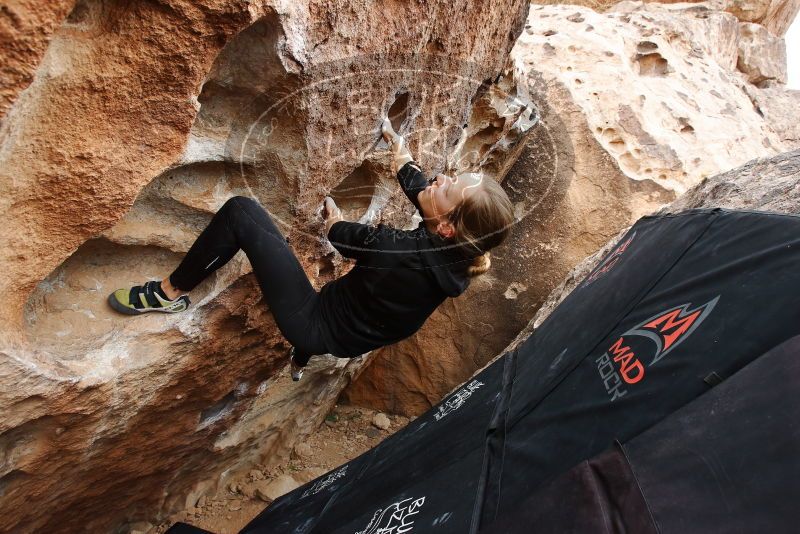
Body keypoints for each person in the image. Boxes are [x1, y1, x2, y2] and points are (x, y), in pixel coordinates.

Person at [108, 119, 515, 381]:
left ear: (446, 227)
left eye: (450, 186)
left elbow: (339, 234)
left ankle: (169, 293)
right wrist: (400, 152)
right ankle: (301, 360)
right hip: (355, 336)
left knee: (241, 212)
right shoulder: (458, 257)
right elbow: (425, 196)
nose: (443, 178)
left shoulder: (398, 250)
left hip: (314, 322)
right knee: (346, 309)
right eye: (452, 176)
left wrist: (333, 217)